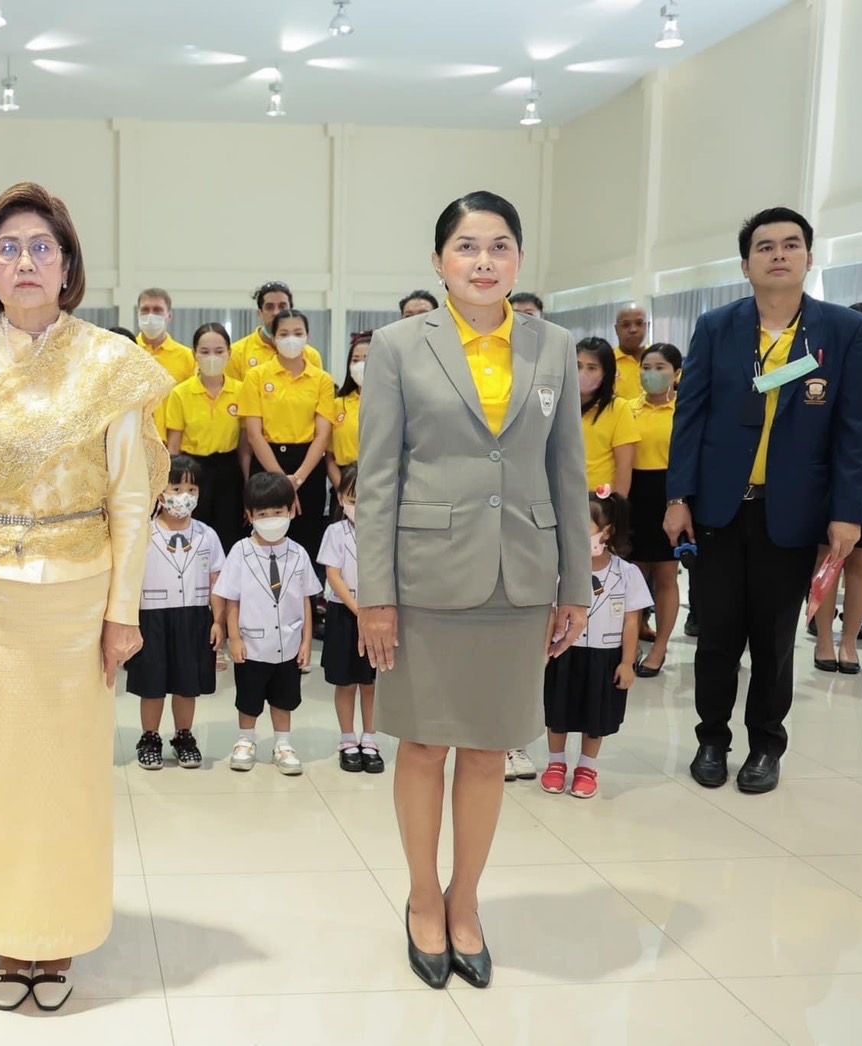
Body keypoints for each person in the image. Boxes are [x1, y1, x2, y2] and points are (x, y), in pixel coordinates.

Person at [0, 182, 171, 1012]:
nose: (24, 261)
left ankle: (56, 933)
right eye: (8, 248)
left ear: (67, 266)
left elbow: (130, 496)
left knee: (64, 777)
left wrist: (123, 613)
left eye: (41, 247)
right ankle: (4, 930)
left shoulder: (107, 361)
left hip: (74, 602)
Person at [356, 190, 590, 991]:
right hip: (426, 577)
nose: (483, 261)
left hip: (520, 577)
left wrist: (576, 583)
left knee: (490, 750)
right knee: (423, 745)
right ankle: (424, 897)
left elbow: (568, 471)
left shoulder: (553, 345)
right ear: (439, 260)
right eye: (466, 246)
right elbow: (378, 477)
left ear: (518, 259)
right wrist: (375, 595)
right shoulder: (397, 347)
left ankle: (466, 900)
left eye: (498, 246)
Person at [665, 207, 862, 795]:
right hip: (718, 508)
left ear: (809, 257)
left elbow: (855, 431)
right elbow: (690, 417)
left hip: (792, 511)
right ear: (746, 264)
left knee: (774, 637)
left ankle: (765, 745)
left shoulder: (844, 331)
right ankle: (711, 738)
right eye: (764, 246)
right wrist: (678, 495)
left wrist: (847, 512)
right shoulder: (717, 327)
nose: (778, 254)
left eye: (790, 244)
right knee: (717, 634)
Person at [540, 491, 652, 799]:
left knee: (596, 716)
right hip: (564, 652)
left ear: (607, 531)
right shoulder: (561, 570)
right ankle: (555, 762)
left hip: (605, 658)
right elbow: (551, 612)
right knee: (558, 711)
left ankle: (587, 767)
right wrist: (543, 652)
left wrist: (627, 663)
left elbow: (632, 622)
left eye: (584, 526)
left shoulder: (627, 573)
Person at [213, 471, 320, 774]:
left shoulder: (298, 553)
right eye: (263, 514)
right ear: (250, 515)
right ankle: (245, 740)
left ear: (291, 511)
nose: (271, 519)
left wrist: (306, 641)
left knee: (284, 697)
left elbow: (305, 599)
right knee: (249, 697)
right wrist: (234, 638)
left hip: (289, 642)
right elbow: (232, 599)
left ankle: (283, 744)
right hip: (252, 643)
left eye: (278, 512)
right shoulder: (240, 552)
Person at [127, 456, 224, 771]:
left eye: (191, 490)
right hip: (152, 617)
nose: (184, 496)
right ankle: (149, 737)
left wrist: (218, 621)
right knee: (152, 682)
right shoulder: (144, 533)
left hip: (194, 617)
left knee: (187, 682)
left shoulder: (207, 535)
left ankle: (184, 736)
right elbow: (130, 579)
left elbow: (216, 580)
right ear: (160, 492)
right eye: (177, 488)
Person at [811, 301, 862, 673]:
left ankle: (850, 641)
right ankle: (824, 639)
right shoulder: (826, 361)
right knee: (830, 557)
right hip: (833, 460)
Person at [237, 308, 334, 592]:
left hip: (308, 466)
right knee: (267, 531)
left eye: (298, 333)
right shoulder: (256, 376)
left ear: (308, 336)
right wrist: (282, 481)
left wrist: (298, 479)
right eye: (284, 333)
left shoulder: (321, 379)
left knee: (307, 535)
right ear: (274, 338)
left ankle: (306, 601)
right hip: (268, 463)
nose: (291, 338)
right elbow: (254, 434)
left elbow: (323, 434)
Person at [318, 465, 382, 773]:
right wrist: (358, 610)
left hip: (377, 614)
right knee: (345, 682)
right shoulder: (335, 532)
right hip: (345, 613)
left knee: (370, 682)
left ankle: (370, 737)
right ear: (342, 498)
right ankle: (347, 739)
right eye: (352, 500)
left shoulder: (383, 532)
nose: (358, 507)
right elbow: (333, 575)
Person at [165, 322, 248, 553]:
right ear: (194, 354)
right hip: (193, 470)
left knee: (228, 533)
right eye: (205, 351)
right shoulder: (180, 393)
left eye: (219, 351)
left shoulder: (242, 390)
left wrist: (247, 480)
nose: (212, 357)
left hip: (229, 469)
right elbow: (174, 446)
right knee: (193, 533)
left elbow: (245, 444)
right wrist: (171, 486)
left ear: (229, 353)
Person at [629, 344, 683, 676]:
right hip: (633, 494)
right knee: (633, 574)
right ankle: (630, 639)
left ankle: (660, 647)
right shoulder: (627, 408)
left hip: (669, 495)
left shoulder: (684, 411)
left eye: (660, 367)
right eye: (646, 367)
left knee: (665, 575)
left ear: (676, 374)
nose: (651, 373)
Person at [576, 336, 639, 496]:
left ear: (605, 373)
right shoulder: (559, 404)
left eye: (592, 368)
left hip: (599, 500)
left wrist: (617, 505)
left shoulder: (618, 408)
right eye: (577, 366)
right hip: (561, 496)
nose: (582, 374)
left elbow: (624, 466)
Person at [229, 281, 324, 381]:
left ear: (291, 311)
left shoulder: (311, 356)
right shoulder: (237, 353)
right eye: (269, 307)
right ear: (260, 313)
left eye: (282, 307)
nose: (276, 312)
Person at [135, 289, 196, 438]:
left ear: (169, 316)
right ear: (138, 314)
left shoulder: (187, 357)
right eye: (145, 310)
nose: (150, 316)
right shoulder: (128, 351)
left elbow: (191, 404)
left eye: (157, 310)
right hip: (134, 439)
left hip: (172, 441)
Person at [327, 333, 369, 494]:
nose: (361, 365)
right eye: (355, 360)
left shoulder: (394, 403)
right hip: (343, 482)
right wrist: (343, 490)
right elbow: (329, 456)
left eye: (367, 359)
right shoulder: (338, 404)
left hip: (381, 482)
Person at [613, 304, 649, 401]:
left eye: (639, 323)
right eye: (626, 325)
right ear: (616, 329)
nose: (633, 330)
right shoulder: (607, 362)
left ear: (647, 326)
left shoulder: (661, 358)